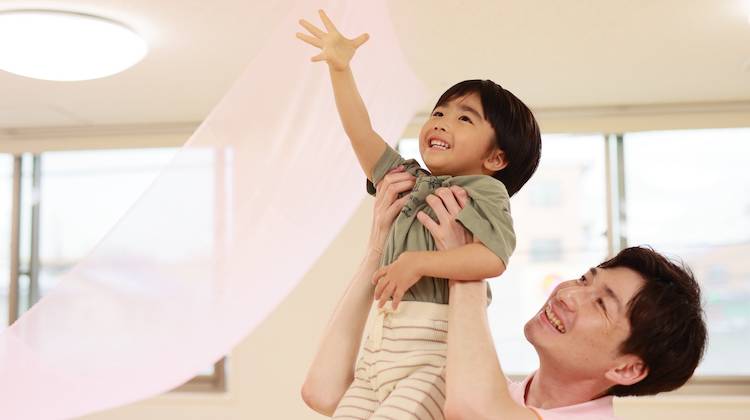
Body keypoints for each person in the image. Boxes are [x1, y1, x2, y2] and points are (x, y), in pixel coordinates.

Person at [302, 171, 707, 419]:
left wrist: (465, 265)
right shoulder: (505, 396)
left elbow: (472, 410)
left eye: (601, 303)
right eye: (585, 279)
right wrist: (377, 250)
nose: (568, 293)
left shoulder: (486, 401)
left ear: (628, 370)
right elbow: (324, 392)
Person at [296, 10, 542, 417]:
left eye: (464, 119)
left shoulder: (485, 191)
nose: (442, 124)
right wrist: (341, 70)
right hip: (379, 347)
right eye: (439, 113)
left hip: (433, 352)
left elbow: (492, 259)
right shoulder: (408, 179)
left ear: (496, 157)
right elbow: (361, 133)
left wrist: (419, 262)